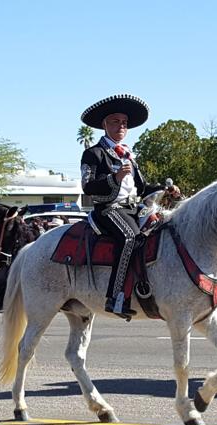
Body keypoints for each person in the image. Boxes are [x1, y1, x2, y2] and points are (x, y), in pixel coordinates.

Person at [79, 94, 180, 318]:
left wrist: (166, 189)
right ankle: (115, 297)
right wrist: (113, 178)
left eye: (124, 122)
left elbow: (141, 188)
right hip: (109, 209)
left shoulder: (129, 156)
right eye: (115, 121)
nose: (121, 126)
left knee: (165, 230)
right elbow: (88, 186)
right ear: (104, 124)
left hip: (135, 208)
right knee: (129, 237)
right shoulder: (94, 153)